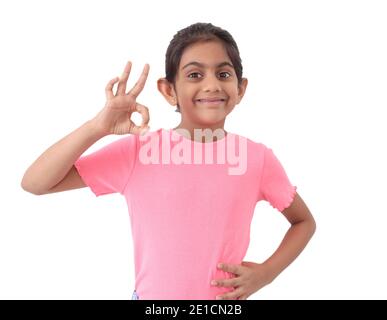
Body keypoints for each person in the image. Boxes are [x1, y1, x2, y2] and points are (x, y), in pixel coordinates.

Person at [21, 22, 316, 300]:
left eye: (223, 74)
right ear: (168, 90)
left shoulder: (257, 158)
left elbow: (303, 222)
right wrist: (96, 127)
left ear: (240, 88)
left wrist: (266, 273)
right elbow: (36, 183)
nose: (212, 85)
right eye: (194, 75)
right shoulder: (139, 151)